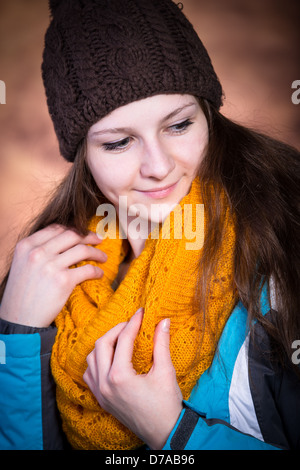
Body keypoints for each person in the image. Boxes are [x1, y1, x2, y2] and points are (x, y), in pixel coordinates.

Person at [0, 0, 299, 451]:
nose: (158, 167)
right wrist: (18, 335)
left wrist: (173, 433)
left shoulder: (286, 247)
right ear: (83, 157)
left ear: (209, 116)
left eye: (179, 125)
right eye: (119, 142)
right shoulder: (49, 277)